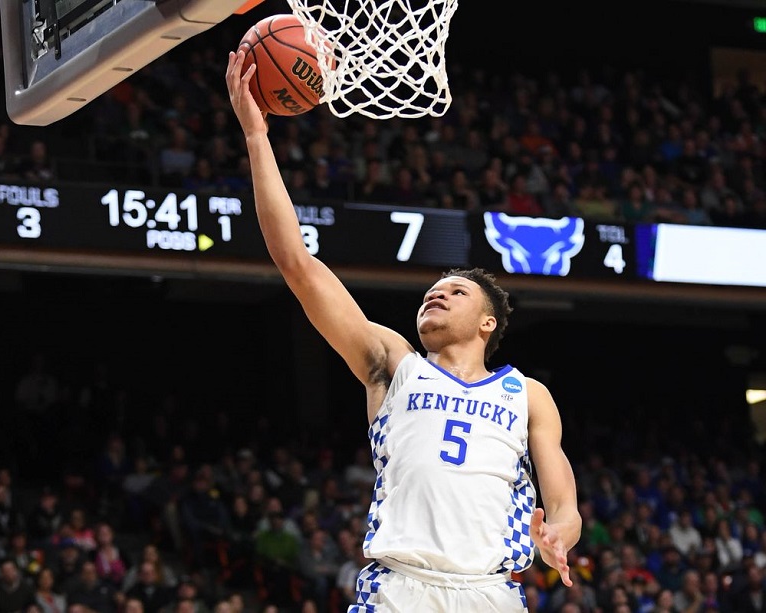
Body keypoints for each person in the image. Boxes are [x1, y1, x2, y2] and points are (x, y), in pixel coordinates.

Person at [225, 51, 582, 611]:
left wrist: (559, 533)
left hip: (490, 592)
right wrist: (255, 136)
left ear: (487, 323)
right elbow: (298, 264)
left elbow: (563, 504)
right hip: (400, 588)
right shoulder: (393, 363)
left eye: (456, 292)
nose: (436, 294)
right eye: (431, 291)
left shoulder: (529, 394)